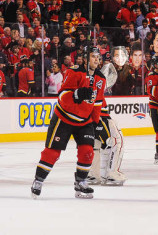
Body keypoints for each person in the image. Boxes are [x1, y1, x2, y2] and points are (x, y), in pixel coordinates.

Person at [31, 47, 106, 199]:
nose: (96, 60)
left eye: (98, 57)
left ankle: (81, 182)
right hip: (63, 118)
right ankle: (38, 180)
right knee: (52, 153)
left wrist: (97, 122)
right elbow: (63, 96)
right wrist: (77, 94)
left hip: (85, 121)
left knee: (87, 152)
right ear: (85, 58)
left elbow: (97, 103)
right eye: (93, 57)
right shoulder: (74, 72)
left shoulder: (101, 78)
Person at [88, 98, 126, 186]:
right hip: (99, 115)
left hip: (90, 116)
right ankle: (112, 174)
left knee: (95, 146)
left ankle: (93, 175)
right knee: (116, 142)